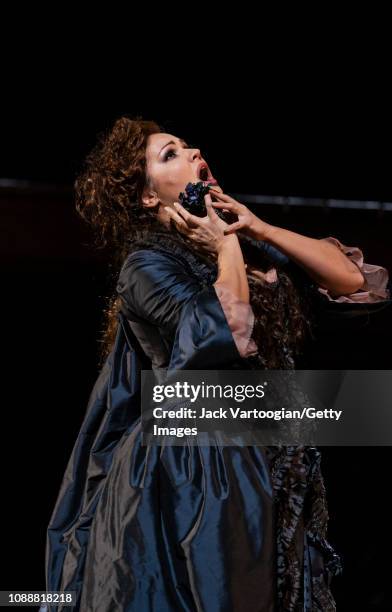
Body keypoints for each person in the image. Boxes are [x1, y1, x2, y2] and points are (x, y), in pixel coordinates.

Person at [40, 117, 390, 612]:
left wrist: (255, 227)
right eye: (169, 154)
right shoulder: (146, 264)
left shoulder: (238, 242)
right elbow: (221, 333)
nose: (191, 151)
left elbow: (354, 282)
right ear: (147, 196)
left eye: (185, 146)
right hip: (195, 465)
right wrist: (226, 246)